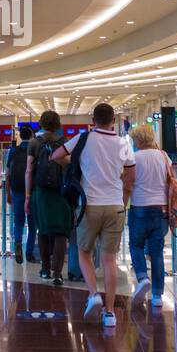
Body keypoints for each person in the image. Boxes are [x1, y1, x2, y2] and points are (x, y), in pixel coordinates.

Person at [53, 102, 136, 327]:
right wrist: (123, 201)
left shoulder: (83, 138)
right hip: (115, 205)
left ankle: (93, 295)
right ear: (113, 121)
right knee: (109, 260)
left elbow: (56, 156)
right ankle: (109, 313)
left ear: (93, 120)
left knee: (84, 253)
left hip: (89, 205)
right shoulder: (122, 143)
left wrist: (76, 161)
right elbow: (130, 176)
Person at [126, 125, 172, 310]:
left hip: (139, 207)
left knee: (135, 245)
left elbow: (128, 182)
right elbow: (171, 181)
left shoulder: (134, 158)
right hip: (160, 209)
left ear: (137, 140)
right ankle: (157, 295)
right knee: (157, 252)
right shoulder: (163, 156)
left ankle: (143, 277)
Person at [27, 110, 72, 284]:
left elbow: (29, 171)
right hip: (61, 191)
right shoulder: (65, 142)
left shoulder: (34, 143)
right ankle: (58, 273)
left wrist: (27, 196)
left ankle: (45, 269)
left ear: (41, 123)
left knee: (43, 230)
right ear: (58, 124)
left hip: (41, 192)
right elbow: (70, 166)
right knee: (60, 232)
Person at [5, 126, 35, 264]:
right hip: (33, 191)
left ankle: (17, 242)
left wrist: (8, 193)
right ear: (32, 135)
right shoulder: (36, 148)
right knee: (33, 224)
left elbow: (8, 174)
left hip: (17, 190)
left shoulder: (12, 151)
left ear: (20, 136)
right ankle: (29, 253)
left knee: (18, 221)